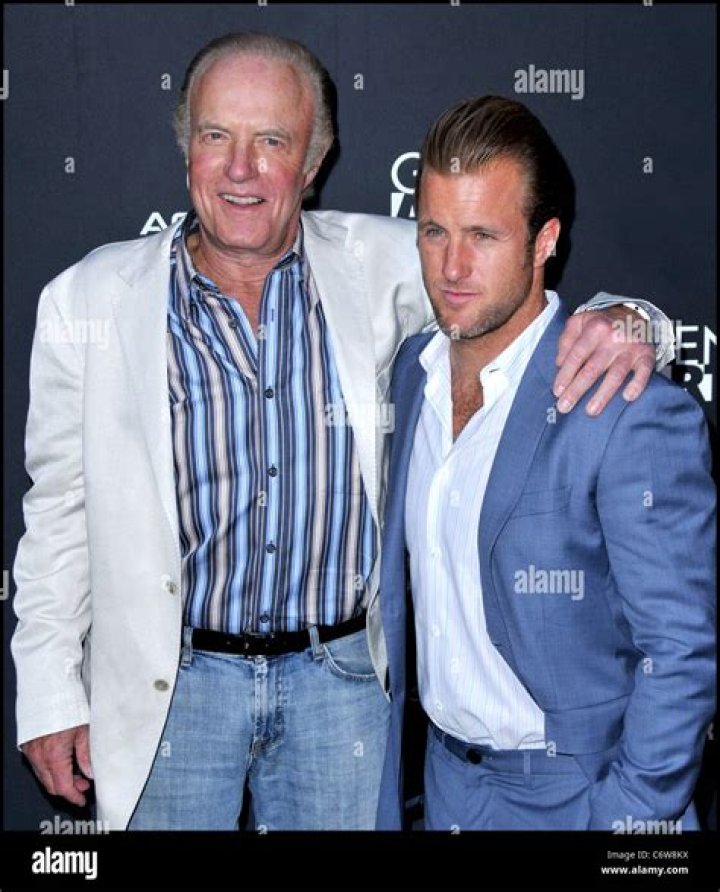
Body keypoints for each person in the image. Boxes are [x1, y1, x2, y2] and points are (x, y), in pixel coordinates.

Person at [12, 33, 671, 831]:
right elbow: (58, 512)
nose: (241, 169)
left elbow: (509, 298)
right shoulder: (88, 299)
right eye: (217, 135)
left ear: (314, 162)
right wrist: (48, 691)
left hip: (344, 686)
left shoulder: (391, 262)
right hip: (170, 686)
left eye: (272, 141)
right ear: (187, 149)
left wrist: (634, 320)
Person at [376, 95, 715, 831]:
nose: (453, 266)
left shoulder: (624, 406)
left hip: (581, 794)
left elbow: (682, 650)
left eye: (483, 236)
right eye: (434, 231)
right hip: (445, 786)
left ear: (544, 240)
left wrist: (627, 814)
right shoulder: (410, 373)